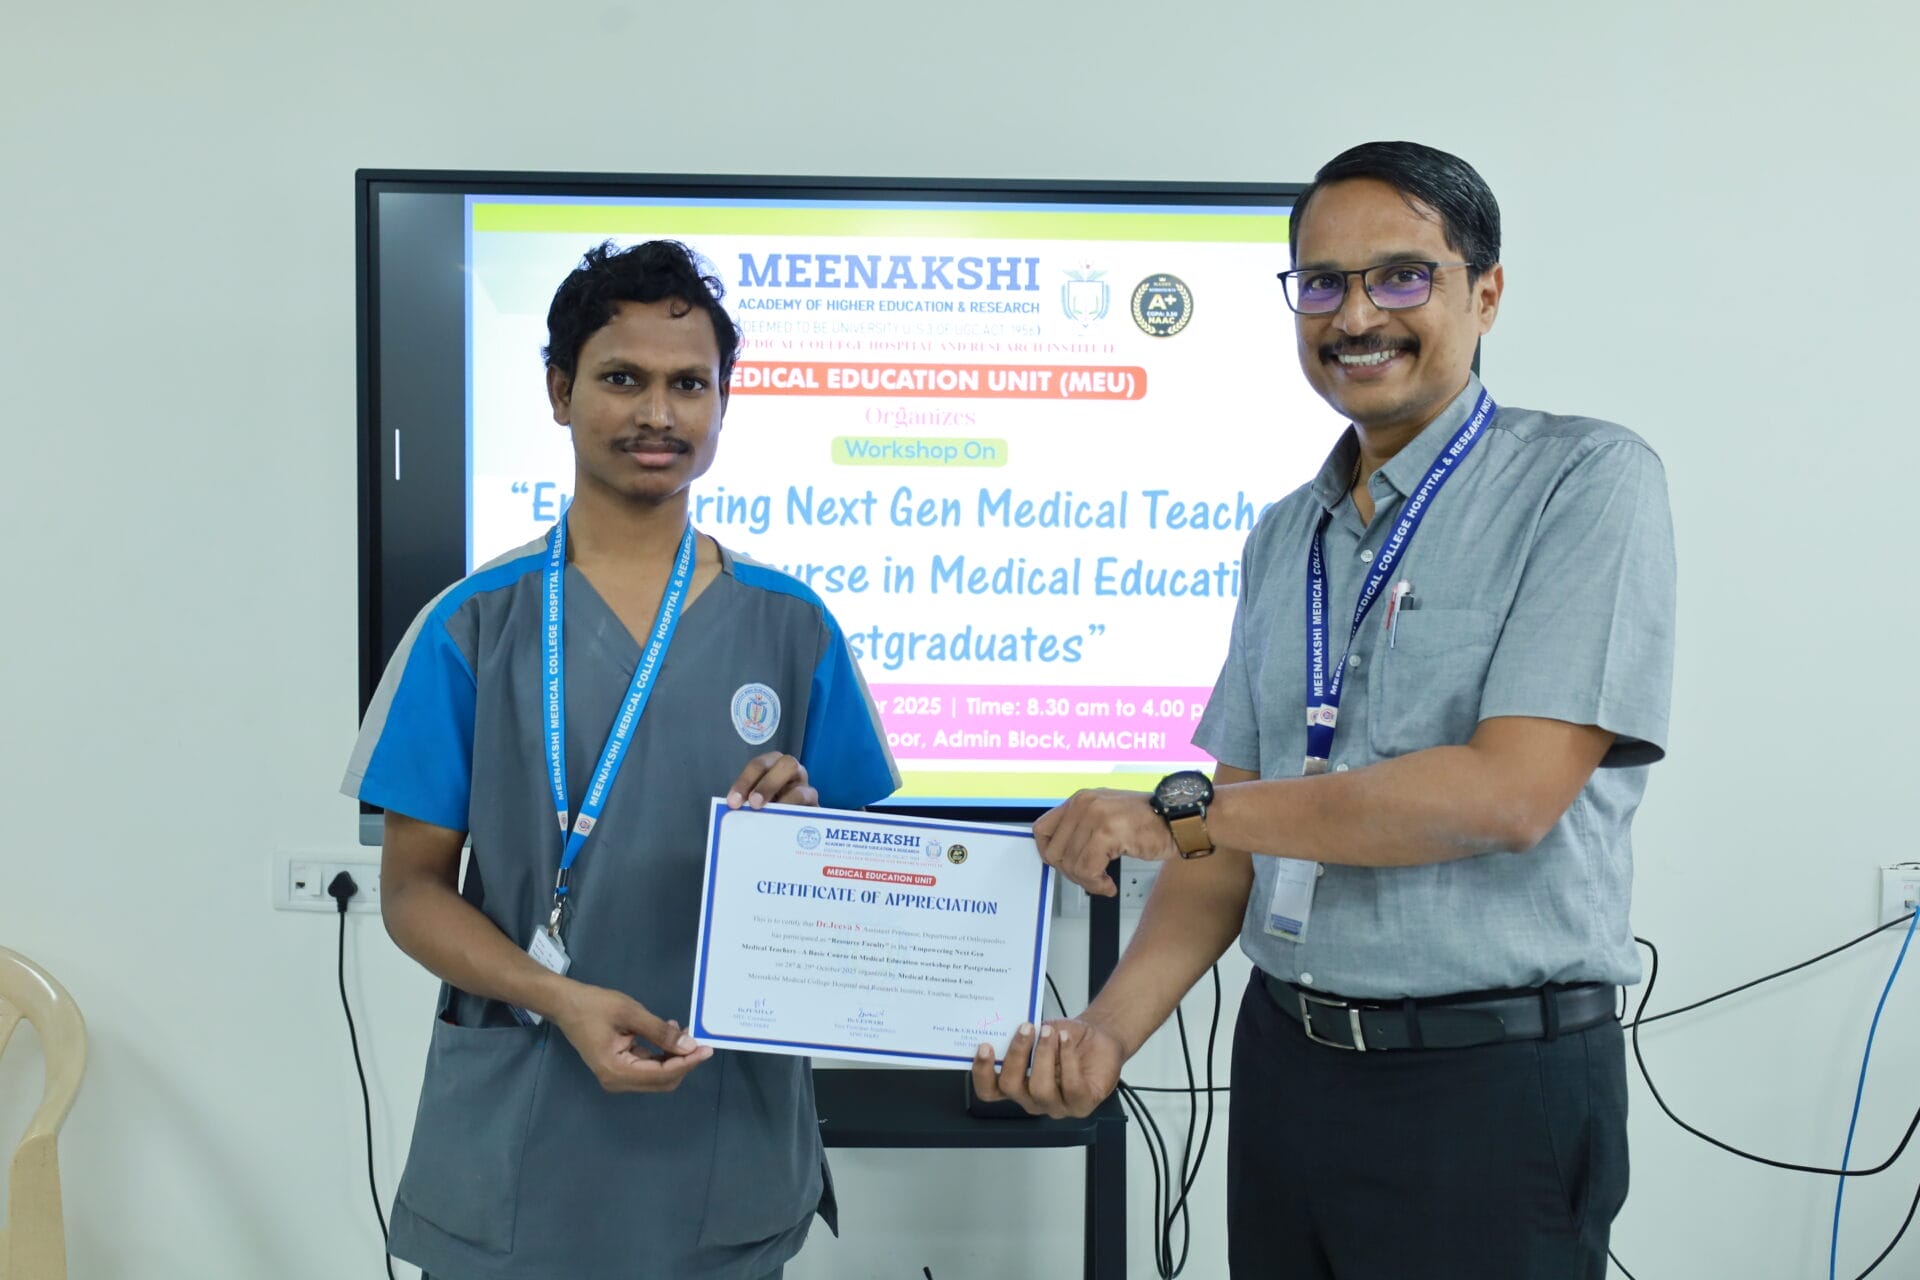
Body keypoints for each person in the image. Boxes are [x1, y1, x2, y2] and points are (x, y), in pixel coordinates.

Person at [973, 141, 1676, 1279]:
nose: (1355, 315)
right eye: (1322, 282)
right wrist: (1105, 1031)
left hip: (1487, 1088)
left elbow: (1506, 796)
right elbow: (1223, 845)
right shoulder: (1284, 536)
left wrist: (1177, 810)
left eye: (1401, 276)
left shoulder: (1583, 482)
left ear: (1486, 292)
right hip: (1290, 1066)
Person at [343, 240, 898, 1280]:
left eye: (690, 384)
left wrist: (811, 836)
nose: (659, 413)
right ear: (560, 392)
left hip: (723, 1123)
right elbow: (413, 892)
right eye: (622, 378)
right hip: (524, 1116)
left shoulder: (794, 625)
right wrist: (560, 997)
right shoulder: (472, 625)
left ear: (723, 402)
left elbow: (861, 892)